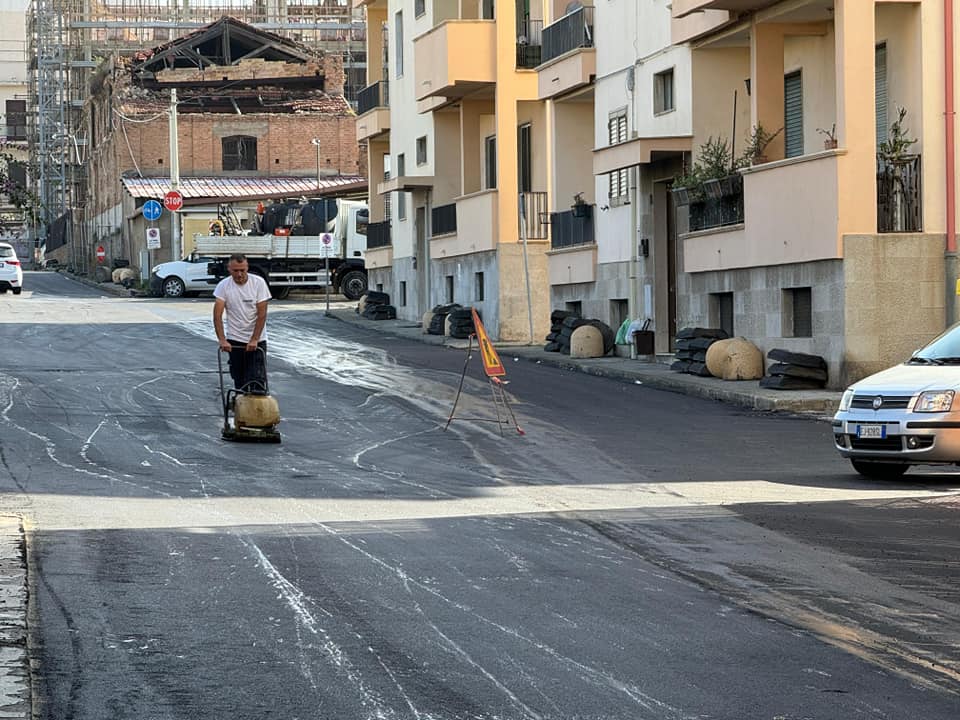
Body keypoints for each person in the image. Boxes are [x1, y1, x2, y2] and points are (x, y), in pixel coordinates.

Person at [213, 254, 272, 392]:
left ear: (247, 268)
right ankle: (240, 406)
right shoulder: (223, 286)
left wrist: (254, 339)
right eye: (235, 271)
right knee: (239, 380)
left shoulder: (258, 283)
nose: (239, 274)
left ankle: (257, 410)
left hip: (257, 340)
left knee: (257, 380)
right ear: (229, 269)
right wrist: (222, 340)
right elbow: (217, 316)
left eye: (242, 270)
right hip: (235, 339)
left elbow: (262, 314)